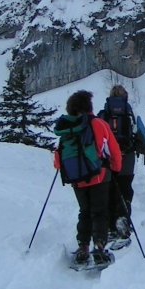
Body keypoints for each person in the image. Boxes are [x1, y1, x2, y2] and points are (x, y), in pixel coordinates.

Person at [54, 90, 122, 265]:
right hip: (99, 175)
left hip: (76, 178)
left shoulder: (68, 126)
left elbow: (58, 157)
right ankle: (99, 246)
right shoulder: (98, 123)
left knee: (84, 211)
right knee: (100, 211)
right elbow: (113, 150)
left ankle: (83, 247)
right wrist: (115, 169)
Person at [97, 84, 144, 242]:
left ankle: (110, 226)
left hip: (108, 160)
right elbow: (140, 134)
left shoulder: (103, 114)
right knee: (125, 189)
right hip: (127, 158)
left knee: (110, 191)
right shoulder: (129, 113)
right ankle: (123, 219)